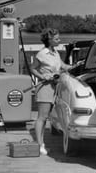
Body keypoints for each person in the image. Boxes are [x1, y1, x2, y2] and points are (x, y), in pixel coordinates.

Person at [30, 28, 72, 156]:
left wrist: (74, 66)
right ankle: (39, 144)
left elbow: (62, 66)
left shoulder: (55, 53)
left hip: (55, 87)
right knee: (42, 117)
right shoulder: (42, 53)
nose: (59, 40)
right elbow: (32, 68)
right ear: (49, 40)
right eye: (57, 39)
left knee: (47, 117)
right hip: (45, 87)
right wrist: (43, 77)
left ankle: (41, 143)